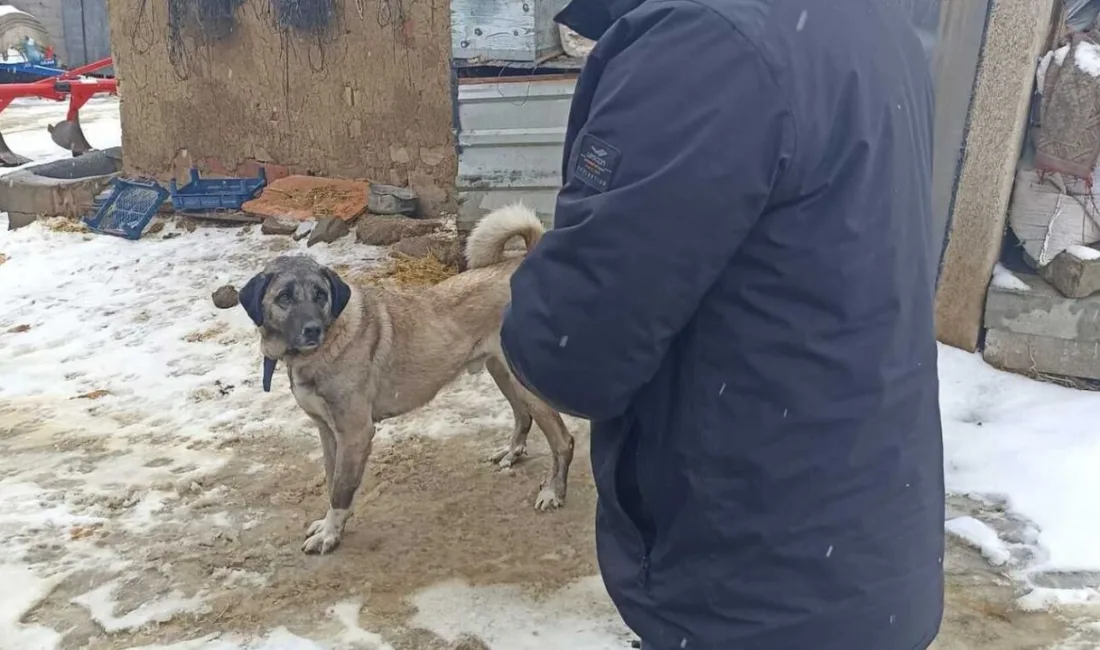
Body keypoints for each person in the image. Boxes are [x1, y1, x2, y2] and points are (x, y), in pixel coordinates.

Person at [498, 0, 945, 648]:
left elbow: (573, 352)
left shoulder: (706, 46)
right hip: (861, 543)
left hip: (752, 576)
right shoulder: (865, 18)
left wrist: (532, 288)